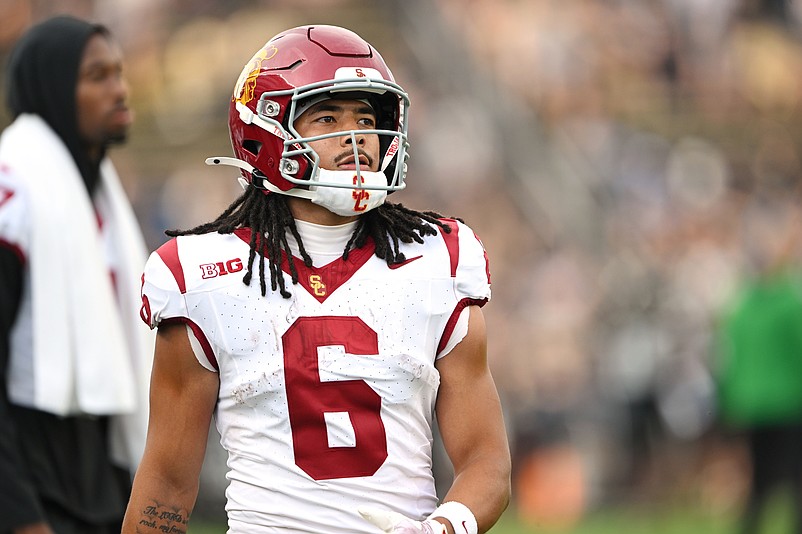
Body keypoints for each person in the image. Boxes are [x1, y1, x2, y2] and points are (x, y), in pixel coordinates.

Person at [122, 24, 511, 534]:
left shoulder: (436, 259)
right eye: (327, 117)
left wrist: (442, 528)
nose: (357, 139)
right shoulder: (204, 278)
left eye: (366, 118)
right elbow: (166, 488)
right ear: (265, 134)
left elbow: (487, 463)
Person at [0, 15, 153, 534]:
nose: (120, 89)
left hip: (98, 479)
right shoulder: (13, 196)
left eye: (119, 71)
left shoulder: (101, 193)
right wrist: (20, 516)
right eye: (97, 77)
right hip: (31, 483)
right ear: (50, 88)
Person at [714, 199, 802, 534]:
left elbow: (724, 357)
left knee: (768, 481)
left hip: (763, 404)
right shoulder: (782, 301)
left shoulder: (744, 304)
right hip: (781, 402)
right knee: (784, 479)